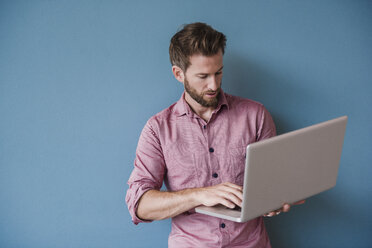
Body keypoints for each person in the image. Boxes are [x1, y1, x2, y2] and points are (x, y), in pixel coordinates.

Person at [126, 22, 304, 248]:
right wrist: (199, 195)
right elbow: (139, 205)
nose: (214, 84)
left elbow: (272, 183)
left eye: (218, 73)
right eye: (203, 76)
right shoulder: (157, 129)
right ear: (178, 74)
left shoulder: (256, 115)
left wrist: (275, 200)